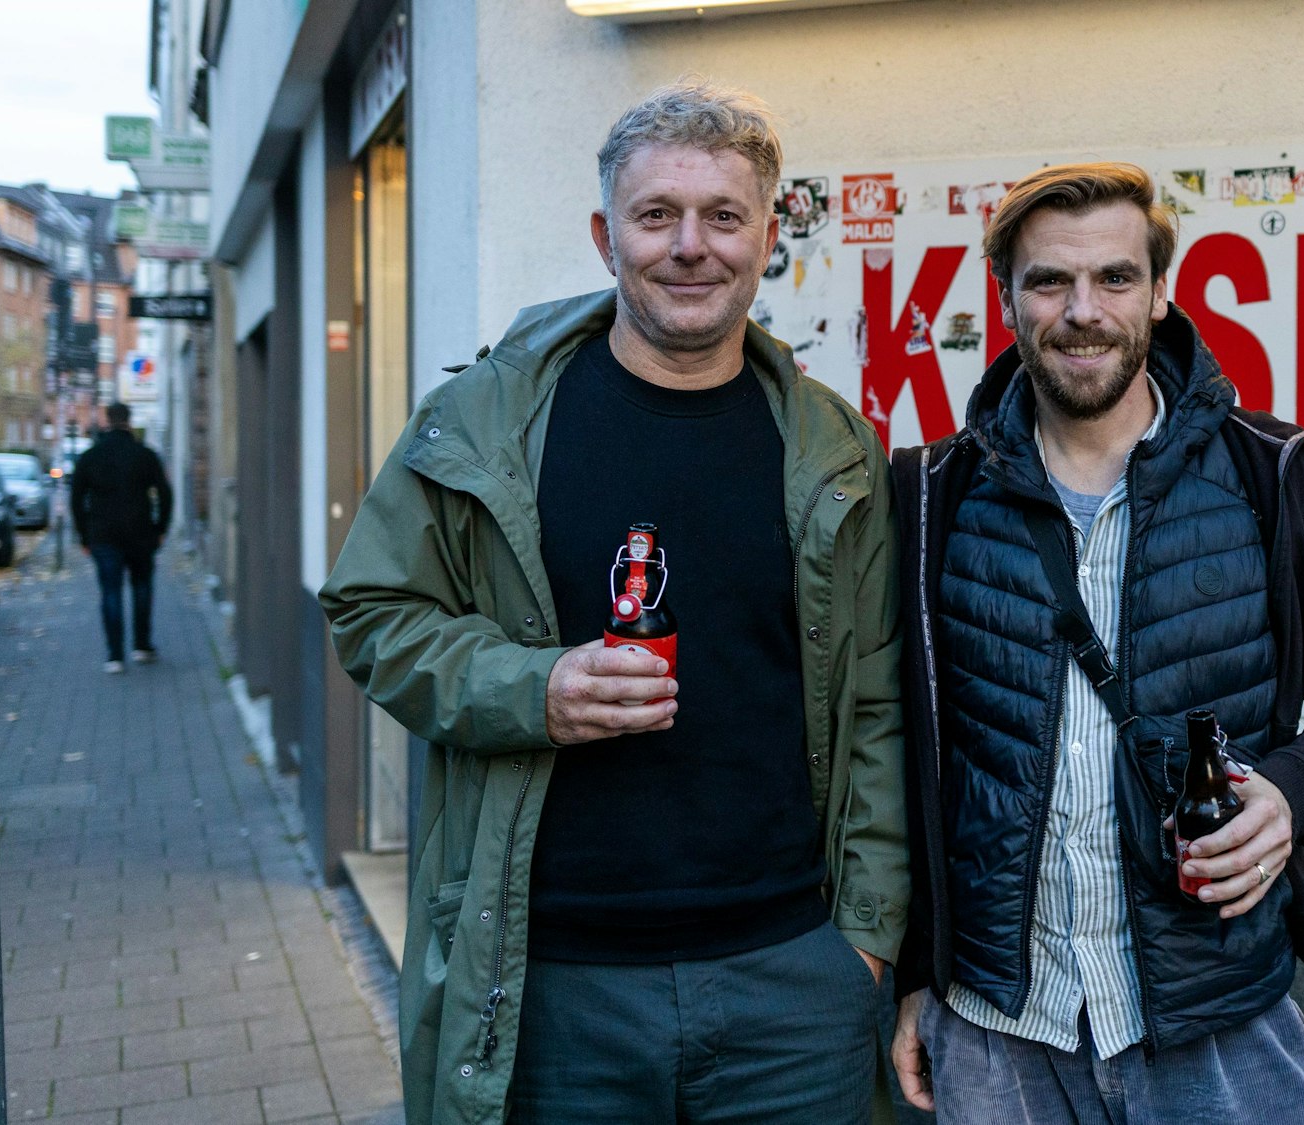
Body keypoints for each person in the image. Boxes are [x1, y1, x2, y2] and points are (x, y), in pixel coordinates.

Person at [319, 82, 908, 1125]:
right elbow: (372, 611)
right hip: (553, 984)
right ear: (605, 237)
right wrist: (531, 689)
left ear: (768, 236)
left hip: (790, 985)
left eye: (723, 216)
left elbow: (875, 704)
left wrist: (862, 940)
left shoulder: (833, 445)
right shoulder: (483, 422)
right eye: (655, 215)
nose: (690, 246)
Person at [886, 163, 1304, 1123]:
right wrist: (918, 969)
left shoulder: (1271, 471)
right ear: (1006, 300)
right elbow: (908, 751)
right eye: (1050, 280)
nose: (1083, 310)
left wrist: (1292, 794)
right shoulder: (932, 493)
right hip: (1000, 1028)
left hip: (1214, 1017)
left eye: (1116, 278)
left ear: (1161, 292)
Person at [71, 401, 173, 673]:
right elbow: (165, 494)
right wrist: (161, 529)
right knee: (142, 588)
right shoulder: (145, 455)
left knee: (110, 592)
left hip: (103, 535)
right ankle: (141, 646)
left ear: (107, 420)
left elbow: (76, 498)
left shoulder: (91, 456)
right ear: (129, 420)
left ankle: (115, 656)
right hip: (141, 533)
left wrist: (84, 536)